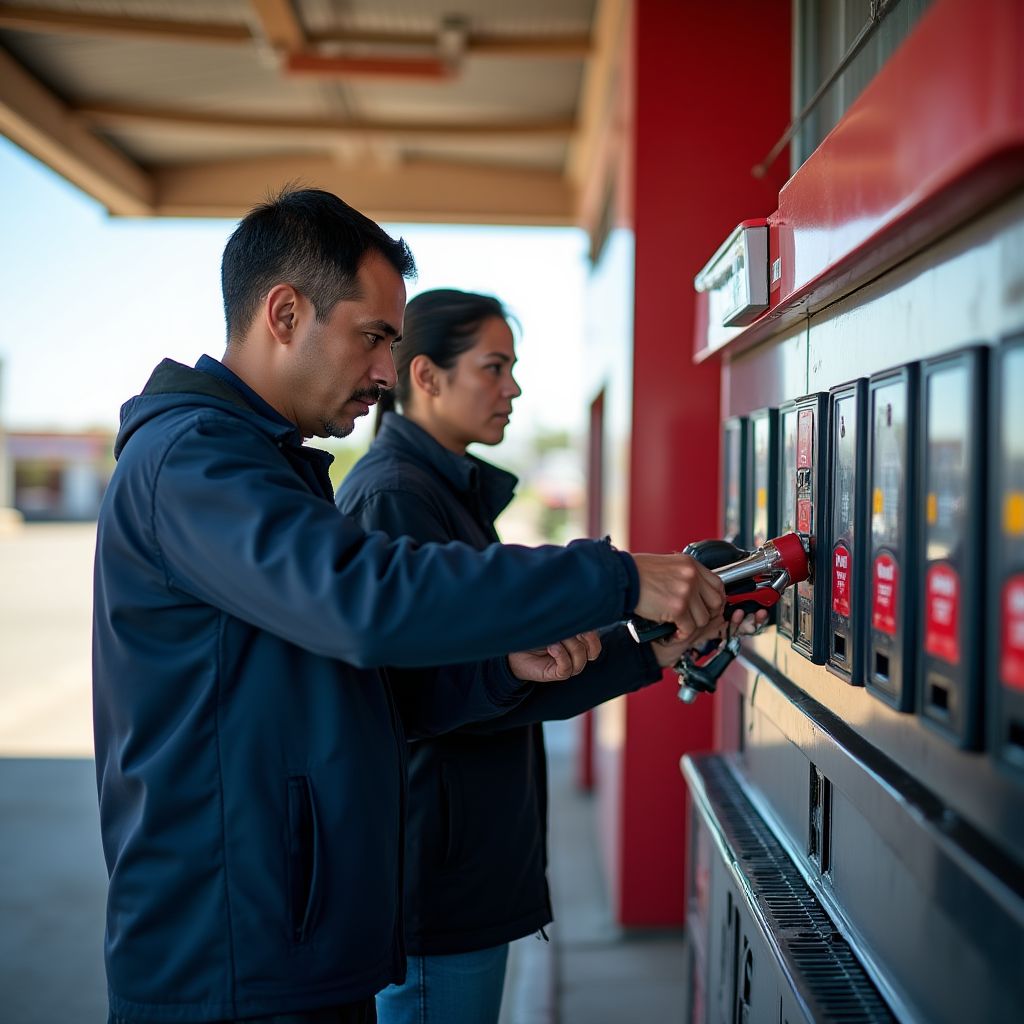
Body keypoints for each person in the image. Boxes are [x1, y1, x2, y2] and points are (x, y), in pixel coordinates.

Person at [92, 188, 730, 1024]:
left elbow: (387, 697)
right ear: (285, 313)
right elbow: (364, 597)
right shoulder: (191, 465)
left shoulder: (270, 470)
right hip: (227, 963)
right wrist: (612, 579)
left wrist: (513, 664)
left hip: (299, 947)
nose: (389, 372)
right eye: (374, 337)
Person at [336, 288, 765, 1024]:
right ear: (425, 377)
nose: (514, 388)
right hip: (435, 887)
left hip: (464, 874)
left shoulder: (448, 495)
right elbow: (421, 700)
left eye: (513, 367)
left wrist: (655, 650)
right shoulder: (394, 499)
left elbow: (503, 680)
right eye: (493, 367)